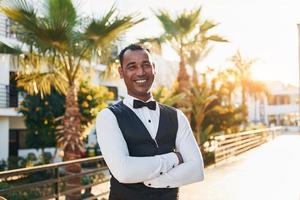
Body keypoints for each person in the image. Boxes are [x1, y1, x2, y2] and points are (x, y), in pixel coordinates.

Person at [96, 44, 204, 200]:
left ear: (154, 68)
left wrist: (155, 181)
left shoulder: (177, 116)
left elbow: (196, 170)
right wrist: (175, 158)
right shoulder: (108, 117)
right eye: (132, 67)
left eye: (146, 65)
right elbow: (124, 172)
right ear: (121, 72)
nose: (140, 72)